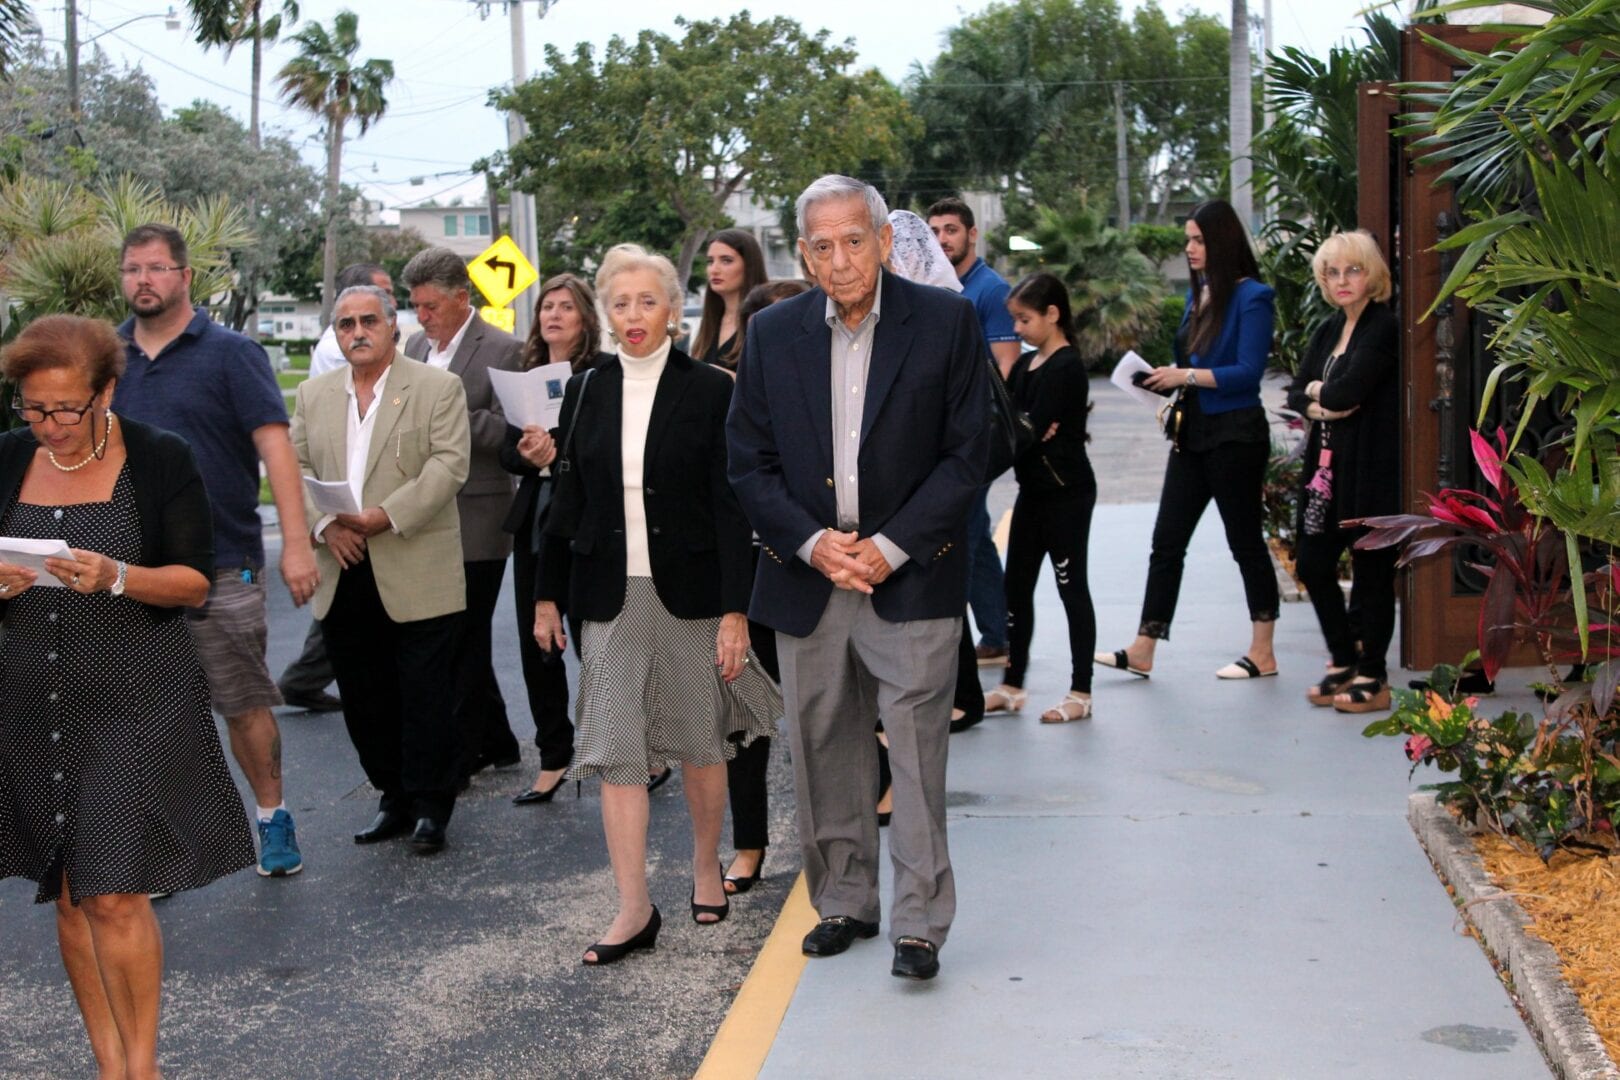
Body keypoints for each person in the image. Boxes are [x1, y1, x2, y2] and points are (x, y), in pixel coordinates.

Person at [729, 175, 990, 982]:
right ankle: (844, 901)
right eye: (822, 246)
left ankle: (920, 923)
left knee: (913, 755)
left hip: (908, 580)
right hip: (810, 583)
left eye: (853, 240)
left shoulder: (945, 322)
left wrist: (891, 545)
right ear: (803, 255)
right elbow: (749, 462)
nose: (839, 260)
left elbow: (970, 452)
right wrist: (814, 544)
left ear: (883, 240)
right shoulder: (772, 334)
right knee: (823, 748)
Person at [0, 315, 255, 1079]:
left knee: (114, 892)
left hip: (134, 699)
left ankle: (140, 1068)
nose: (50, 428)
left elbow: (194, 580)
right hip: (33, 702)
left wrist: (115, 574)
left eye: (66, 410)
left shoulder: (159, 457)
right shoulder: (9, 458)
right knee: (71, 892)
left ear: (106, 391)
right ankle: (108, 1064)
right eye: (33, 410)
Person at [534, 244, 779, 965]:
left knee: (702, 744)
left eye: (647, 302)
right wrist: (548, 591)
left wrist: (737, 610)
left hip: (693, 592)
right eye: (620, 303)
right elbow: (568, 495)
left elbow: (731, 507)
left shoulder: (711, 388)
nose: (633, 316)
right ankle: (633, 906)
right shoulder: (586, 388)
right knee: (616, 752)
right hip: (610, 594)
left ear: (673, 309)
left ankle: (706, 864)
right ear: (604, 313)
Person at [112, 223, 317, 879]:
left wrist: (296, 548)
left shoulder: (232, 354)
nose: (143, 280)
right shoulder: (105, 358)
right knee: (137, 713)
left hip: (221, 563)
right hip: (128, 571)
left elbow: (275, 450)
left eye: (156, 268)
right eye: (133, 269)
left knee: (242, 703)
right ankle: (154, 842)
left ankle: (272, 817)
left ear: (184, 277)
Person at [291, 285, 472, 854]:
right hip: (343, 562)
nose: (357, 332)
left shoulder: (437, 387)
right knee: (365, 695)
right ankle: (391, 795)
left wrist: (384, 516)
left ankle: (431, 805)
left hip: (413, 559)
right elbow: (292, 466)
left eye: (369, 320)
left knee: (423, 694)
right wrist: (327, 526)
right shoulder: (313, 394)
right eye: (345, 324)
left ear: (393, 326)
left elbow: (449, 465)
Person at [1096, 199, 1280, 680]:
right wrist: (1166, 381)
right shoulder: (1197, 296)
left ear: (1220, 242)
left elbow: (1247, 372)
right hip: (1194, 433)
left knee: (1244, 542)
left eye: (1198, 240)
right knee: (1167, 541)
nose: (1189, 248)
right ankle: (1144, 647)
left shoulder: (1253, 297)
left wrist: (1187, 375)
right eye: (1187, 239)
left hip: (1236, 435)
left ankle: (1263, 651)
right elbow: (1194, 364)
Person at [401, 247, 524, 785]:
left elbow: (509, 435)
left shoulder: (504, 350)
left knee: (465, 636)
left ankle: (464, 749)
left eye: (431, 307)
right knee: (449, 633)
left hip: (479, 513)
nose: (422, 319)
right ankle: (496, 740)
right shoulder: (410, 346)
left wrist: (444, 416)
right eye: (416, 307)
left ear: (461, 298)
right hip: (421, 512)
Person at [504, 273, 611, 805]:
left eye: (566, 307)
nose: (553, 315)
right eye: (547, 306)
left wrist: (561, 458)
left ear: (585, 318)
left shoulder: (603, 375)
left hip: (592, 526)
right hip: (537, 527)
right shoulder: (526, 376)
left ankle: (637, 749)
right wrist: (528, 455)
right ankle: (554, 755)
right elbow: (504, 452)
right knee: (537, 644)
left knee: (601, 644)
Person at [719, 278, 810, 894]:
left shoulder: (829, 394)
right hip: (746, 579)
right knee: (743, 721)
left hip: (814, 574)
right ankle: (749, 845)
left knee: (823, 722)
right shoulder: (726, 400)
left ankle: (832, 847)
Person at [1284, 230, 1400, 714]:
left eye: (1352, 270)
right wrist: (1319, 398)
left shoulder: (1382, 326)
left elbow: (1346, 394)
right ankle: (1342, 657)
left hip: (1369, 468)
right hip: (1325, 472)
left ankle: (1373, 675)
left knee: (1372, 572)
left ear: (1371, 273)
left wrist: (1322, 396)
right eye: (1332, 273)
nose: (1342, 280)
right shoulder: (1329, 330)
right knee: (1311, 563)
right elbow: (1297, 395)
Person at [279, 261, 396, 712]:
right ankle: (306, 678)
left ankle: (310, 678)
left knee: (347, 603)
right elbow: (301, 455)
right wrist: (324, 521)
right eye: (357, 318)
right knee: (343, 601)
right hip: (345, 501)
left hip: (368, 508)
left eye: (380, 312)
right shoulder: (338, 358)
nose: (385, 314)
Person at [983, 272, 1098, 722]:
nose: (1017, 329)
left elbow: (1025, 429)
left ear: (1053, 315)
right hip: (1032, 492)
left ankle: (1081, 691)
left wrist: (1025, 428)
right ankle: (1013, 684)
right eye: (1013, 319)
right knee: (1016, 588)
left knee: (1071, 589)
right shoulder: (1029, 367)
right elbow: (1014, 424)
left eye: (1024, 319)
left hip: (1067, 493)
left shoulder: (1068, 366)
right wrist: (1024, 427)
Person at [928, 196, 1020, 668]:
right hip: (946, 439)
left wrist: (971, 436)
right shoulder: (938, 287)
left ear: (972, 234)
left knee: (963, 532)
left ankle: (961, 642)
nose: (943, 239)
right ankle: (996, 631)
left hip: (975, 440)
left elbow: (1004, 370)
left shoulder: (989, 290)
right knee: (975, 533)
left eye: (951, 230)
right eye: (936, 231)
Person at [691, 228, 769, 370]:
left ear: (749, 265)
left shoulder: (766, 320)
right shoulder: (710, 322)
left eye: (726, 261)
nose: (714, 269)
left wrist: (726, 380)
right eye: (710, 261)